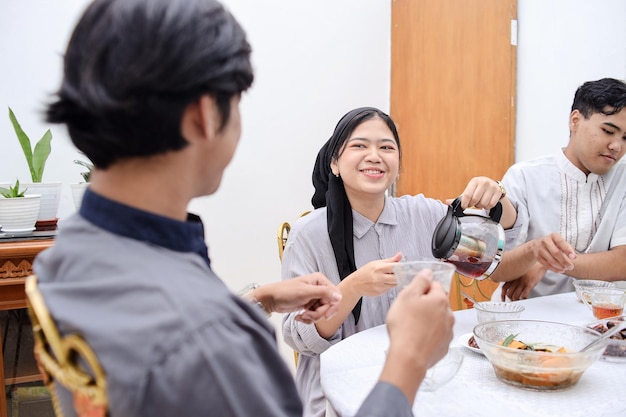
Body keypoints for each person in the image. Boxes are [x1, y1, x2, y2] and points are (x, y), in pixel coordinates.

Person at [34, 1, 455, 416]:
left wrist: (258, 300)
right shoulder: (214, 343)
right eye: (236, 103)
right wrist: (408, 359)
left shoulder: (63, 259)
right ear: (204, 114)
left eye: (386, 147)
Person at [281, 106, 520, 417]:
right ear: (335, 163)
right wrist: (353, 287)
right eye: (359, 145)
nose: (374, 155)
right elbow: (300, 338)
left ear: (397, 165)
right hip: (338, 391)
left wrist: (498, 196)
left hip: (423, 379)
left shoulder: (424, 214)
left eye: (386, 147)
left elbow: (501, 239)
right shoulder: (308, 234)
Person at [489, 77, 626, 301]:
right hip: (524, 315)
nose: (617, 146)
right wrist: (534, 254)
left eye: (625, 137)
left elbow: (621, 264)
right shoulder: (524, 176)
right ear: (575, 121)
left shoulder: (623, 180)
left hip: (596, 319)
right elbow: (496, 267)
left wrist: (548, 262)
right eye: (608, 131)